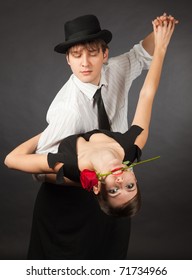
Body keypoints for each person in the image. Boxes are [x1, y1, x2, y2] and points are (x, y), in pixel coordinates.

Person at [5, 14, 178, 259]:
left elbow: (140, 57)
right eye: (76, 55)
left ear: (104, 55)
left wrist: (160, 32)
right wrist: (83, 179)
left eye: (92, 53)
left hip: (106, 202)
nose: (85, 63)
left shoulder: (114, 69)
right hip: (66, 205)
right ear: (68, 59)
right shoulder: (68, 113)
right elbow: (39, 171)